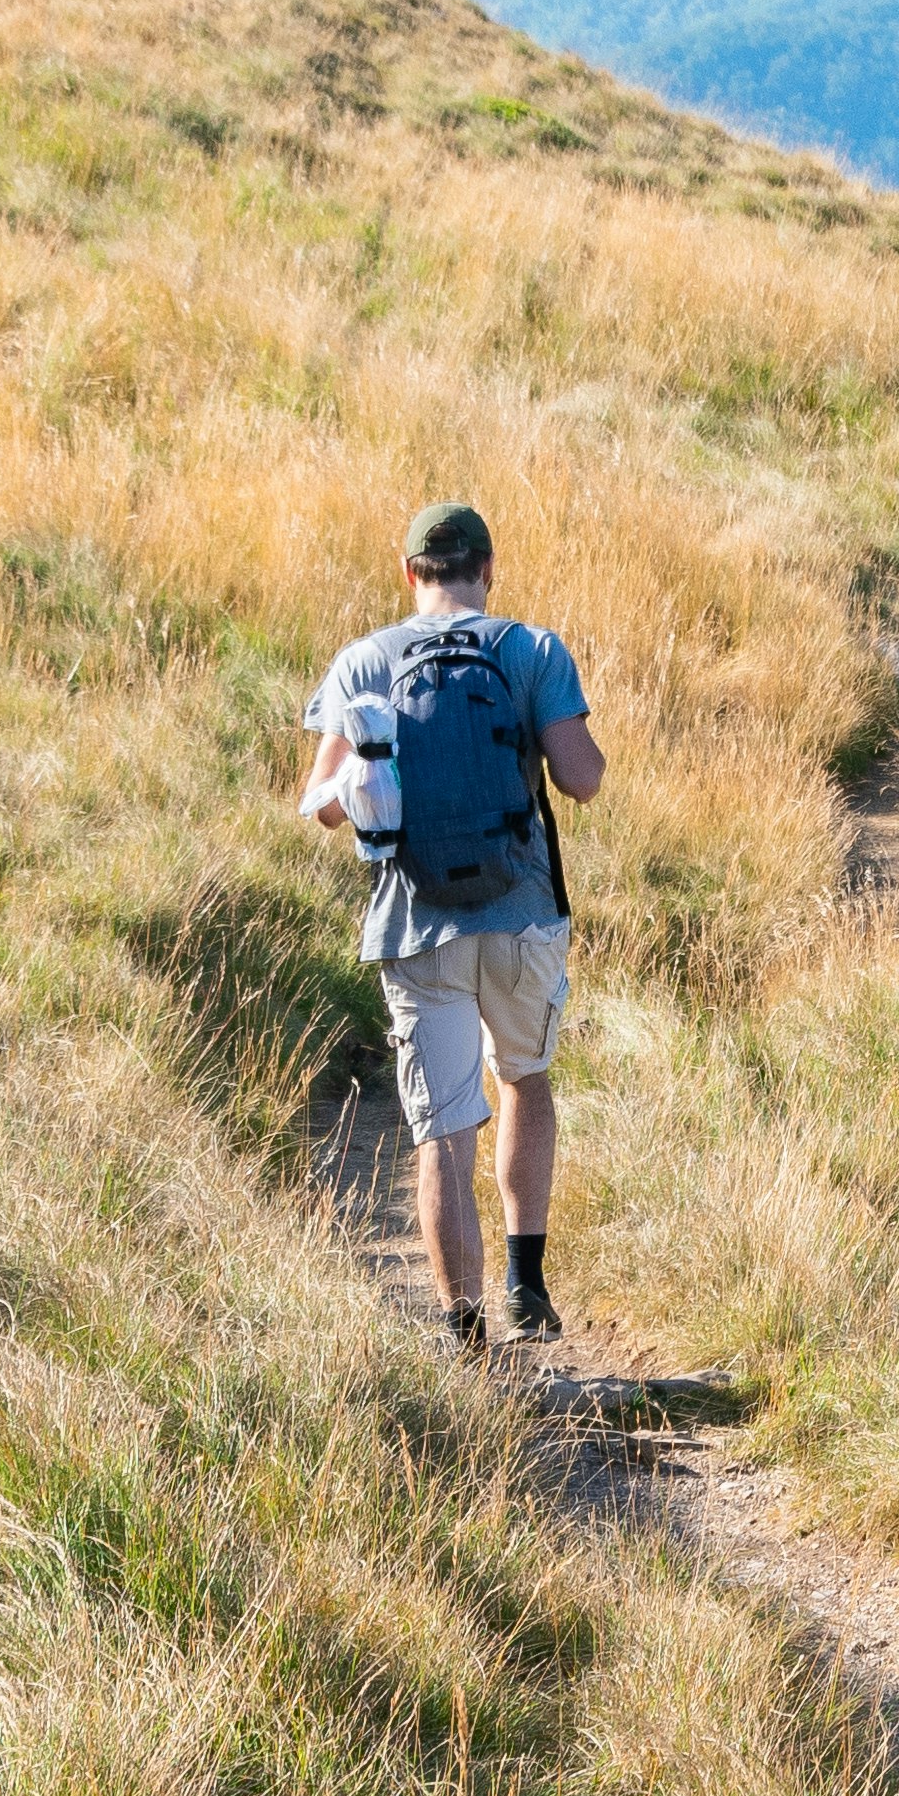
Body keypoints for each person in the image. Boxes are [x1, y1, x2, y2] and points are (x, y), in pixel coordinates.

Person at [296, 500, 606, 1348]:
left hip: (412, 923)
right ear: (489, 569)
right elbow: (581, 780)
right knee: (523, 1079)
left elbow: (321, 810)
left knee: (441, 1132)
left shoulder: (363, 660)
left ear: (409, 576)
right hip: (522, 916)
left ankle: (465, 1338)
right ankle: (526, 1284)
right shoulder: (531, 649)